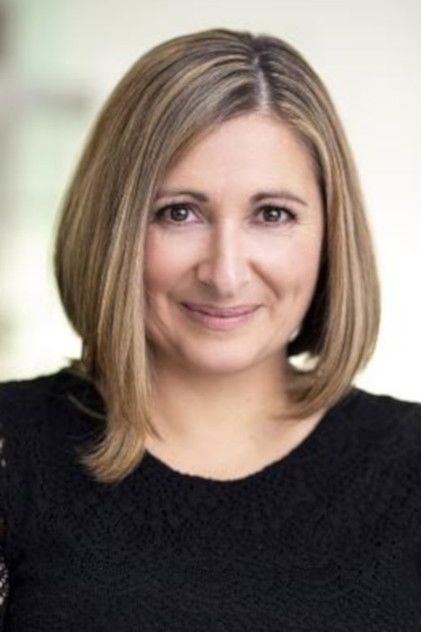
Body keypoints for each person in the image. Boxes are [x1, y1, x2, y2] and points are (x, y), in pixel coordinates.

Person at [0, 27, 420, 631]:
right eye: (179, 213)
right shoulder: (10, 451)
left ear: (331, 235)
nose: (225, 274)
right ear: (113, 229)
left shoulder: (410, 467)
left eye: (272, 214)